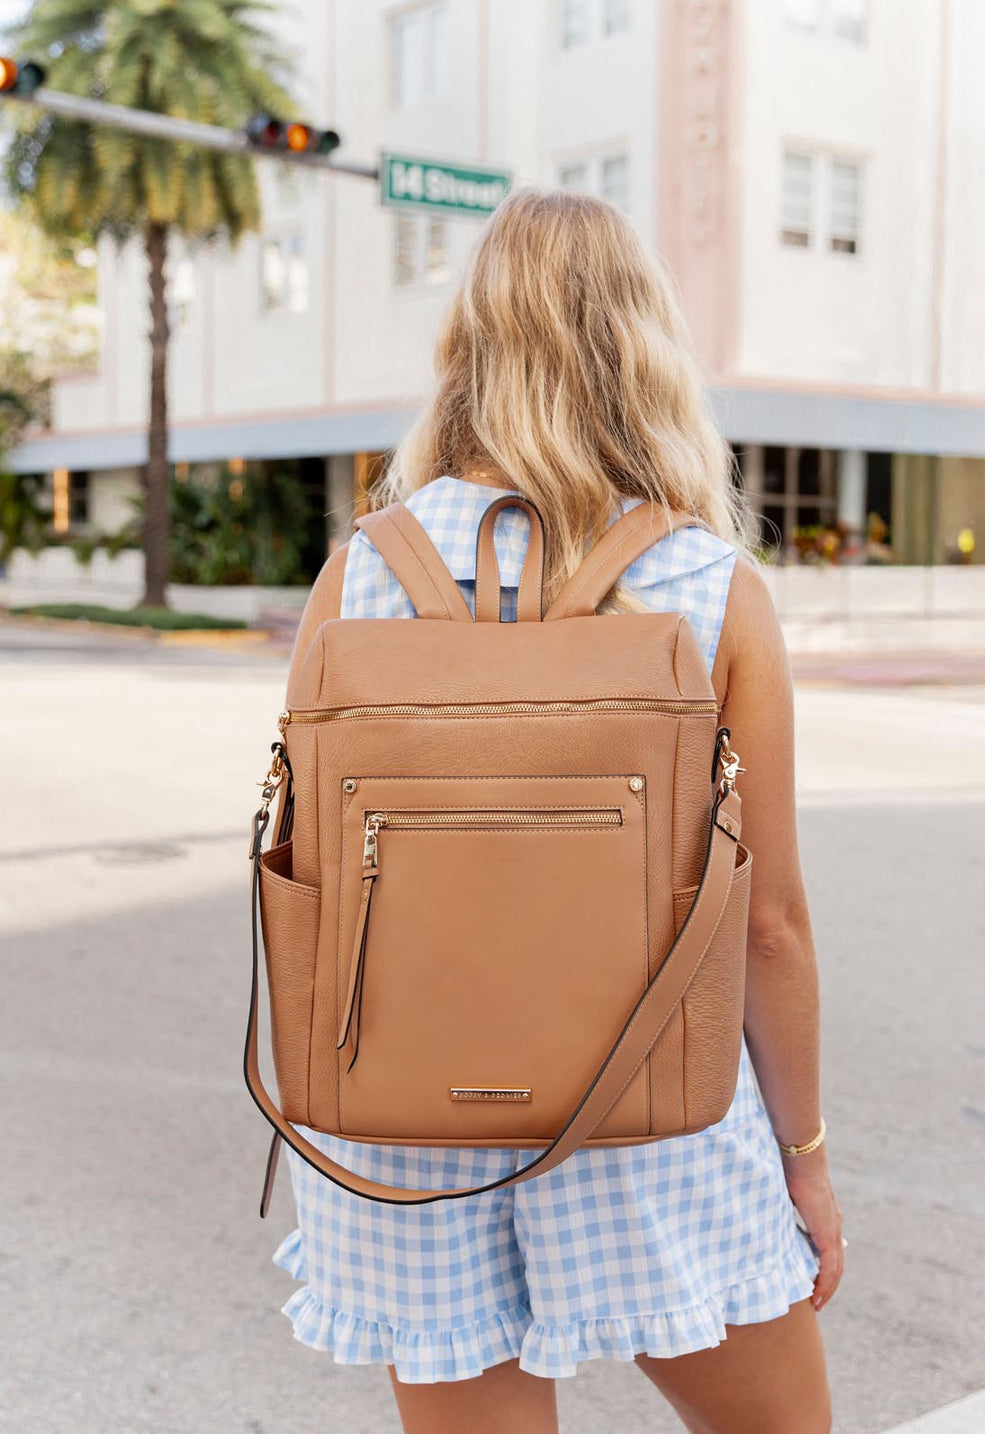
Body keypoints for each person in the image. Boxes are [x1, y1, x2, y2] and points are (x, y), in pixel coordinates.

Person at [271, 188, 843, 1434]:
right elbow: (770, 927)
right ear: (645, 351)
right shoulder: (706, 587)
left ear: (467, 349)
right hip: (649, 1113)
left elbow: (309, 866)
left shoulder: (358, 573)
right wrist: (803, 1160)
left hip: (401, 1122)